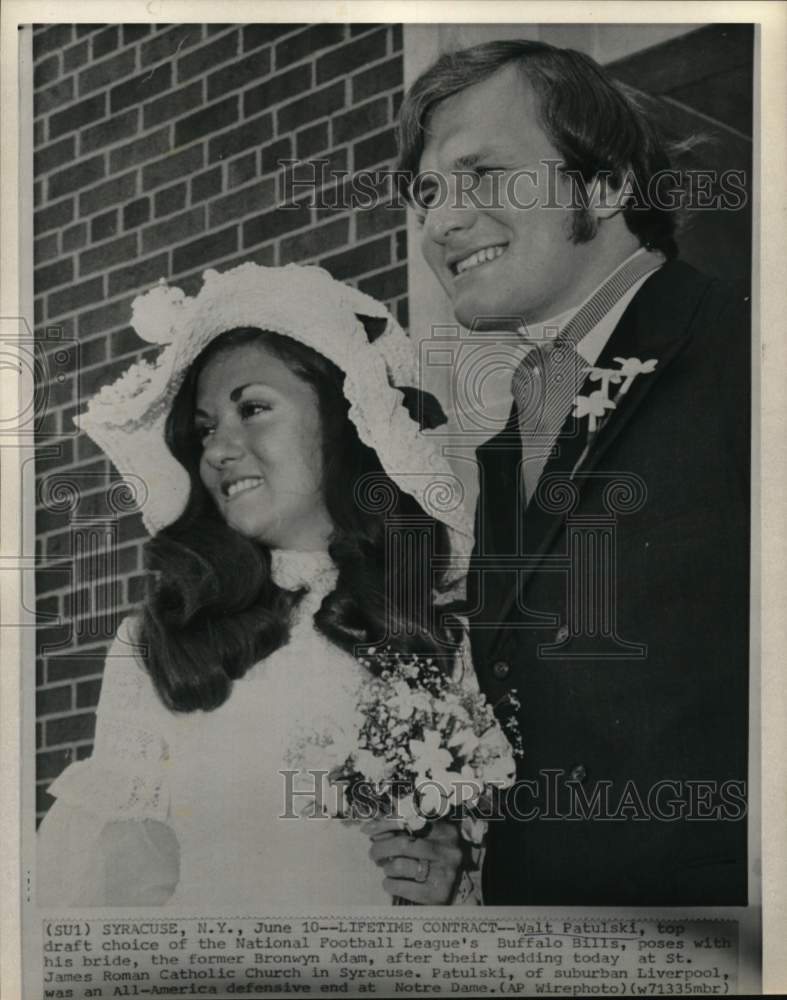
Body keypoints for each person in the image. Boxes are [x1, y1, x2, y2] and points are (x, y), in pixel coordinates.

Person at [397, 39, 750, 904]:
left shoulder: (747, 356)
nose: (440, 221)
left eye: (481, 174)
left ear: (604, 183)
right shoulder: (510, 427)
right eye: (429, 192)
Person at [37, 262, 487, 908]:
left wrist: (451, 868)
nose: (219, 448)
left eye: (252, 408)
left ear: (342, 420)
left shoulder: (436, 626)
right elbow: (124, 893)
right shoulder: (160, 643)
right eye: (205, 428)